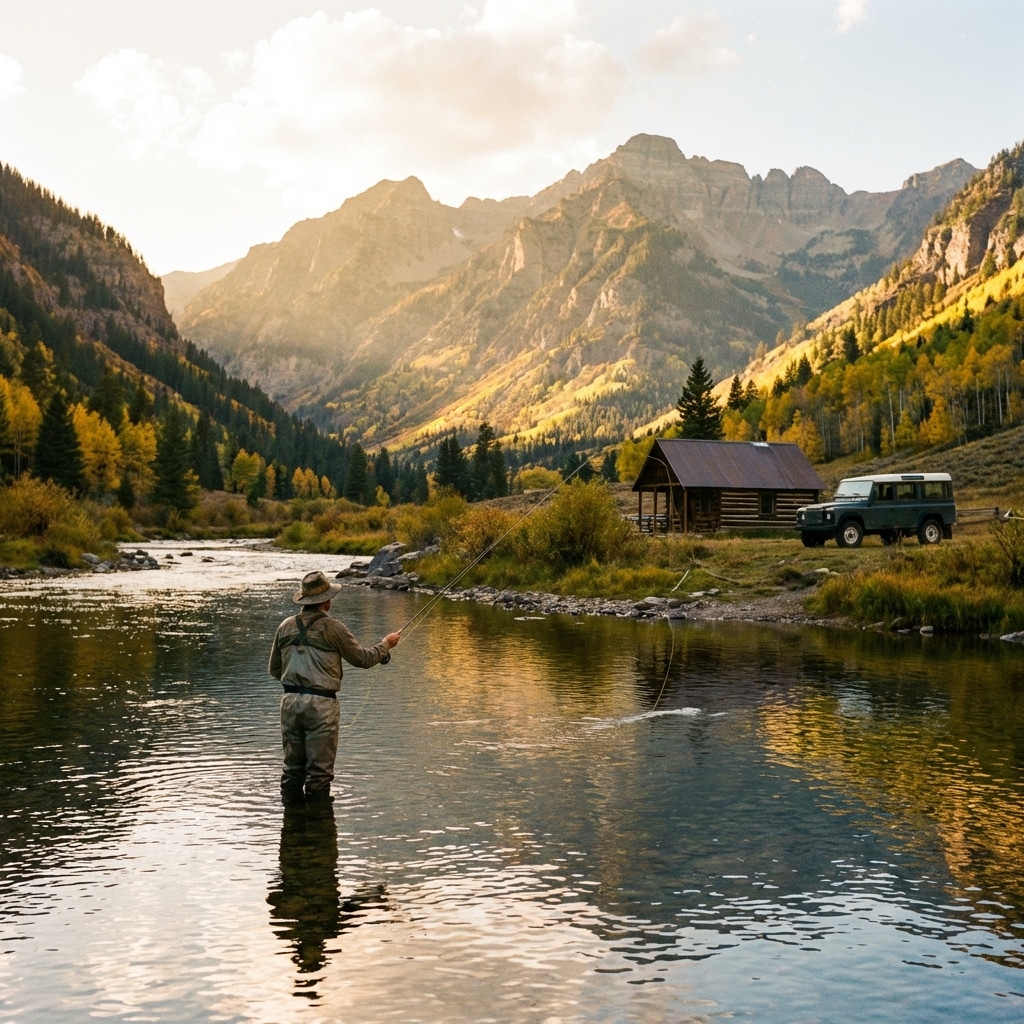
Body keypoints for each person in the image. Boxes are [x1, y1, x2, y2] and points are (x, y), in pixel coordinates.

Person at [269, 570, 400, 804]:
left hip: (289, 704)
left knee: (292, 771)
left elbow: (274, 670)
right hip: (321, 706)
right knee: (319, 775)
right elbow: (362, 659)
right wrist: (385, 645)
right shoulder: (334, 628)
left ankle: (292, 830)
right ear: (326, 602)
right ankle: (320, 831)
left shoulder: (284, 626)